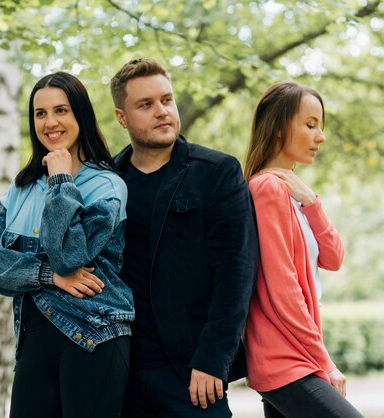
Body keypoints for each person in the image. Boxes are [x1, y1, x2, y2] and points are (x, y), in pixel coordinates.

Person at [0, 71, 134, 418]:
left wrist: (61, 179)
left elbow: (69, 256)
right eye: (40, 113)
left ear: (80, 115)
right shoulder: (18, 190)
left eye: (61, 110)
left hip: (95, 335)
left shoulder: (107, 186)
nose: (50, 122)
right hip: (33, 344)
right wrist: (49, 276)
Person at [110, 58, 258, 417]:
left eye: (166, 99)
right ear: (122, 117)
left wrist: (213, 358)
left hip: (192, 373)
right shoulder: (106, 182)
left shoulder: (217, 173)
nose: (162, 111)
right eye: (145, 104)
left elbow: (236, 273)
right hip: (119, 372)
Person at [243, 82, 364, 418]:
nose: (320, 136)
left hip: (292, 357)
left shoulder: (289, 191)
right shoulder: (266, 188)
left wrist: (311, 202)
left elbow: (334, 258)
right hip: (286, 359)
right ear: (280, 128)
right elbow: (282, 290)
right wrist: (324, 361)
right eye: (310, 125)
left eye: (320, 126)